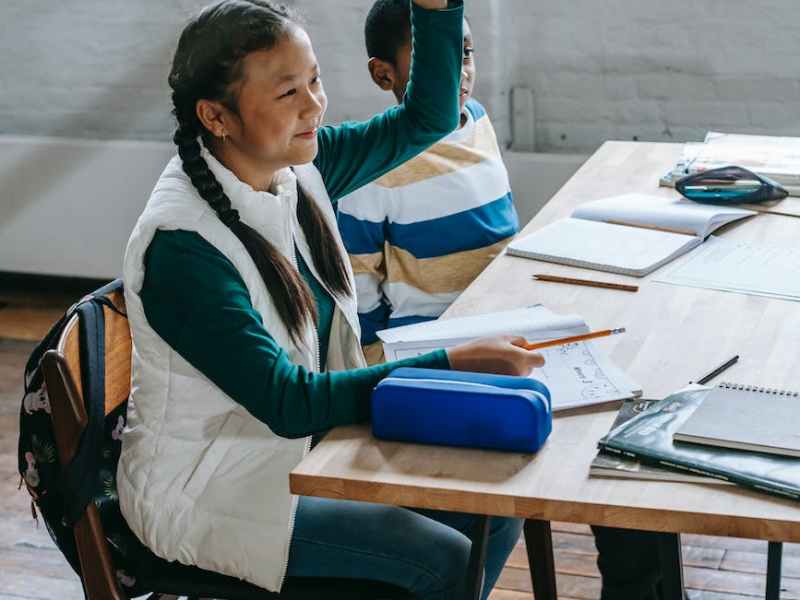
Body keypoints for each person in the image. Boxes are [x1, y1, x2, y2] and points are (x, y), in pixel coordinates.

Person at [117, 1, 543, 599]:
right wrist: (449, 366)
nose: (315, 104)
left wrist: (436, 11)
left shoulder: (297, 167)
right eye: (288, 92)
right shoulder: (182, 249)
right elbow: (288, 402)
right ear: (216, 116)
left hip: (305, 450)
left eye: (314, 80)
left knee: (500, 503)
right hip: (214, 490)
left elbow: (428, 117)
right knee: (440, 558)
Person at [338, 0, 519, 364]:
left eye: (465, 54)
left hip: (505, 314)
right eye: (431, 61)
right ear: (384, 75)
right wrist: (379, 358)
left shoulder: (478, 118)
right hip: (435, 343)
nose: (458, 71)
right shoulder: (376, 164)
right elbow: (357, 281)